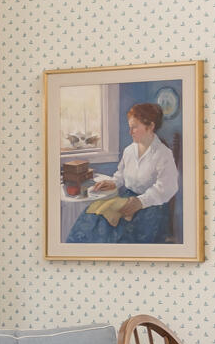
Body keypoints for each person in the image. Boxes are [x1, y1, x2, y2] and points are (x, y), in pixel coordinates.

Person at [68, 101, 180, 245]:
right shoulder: (129, 151)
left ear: (150, 126)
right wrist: (113, 183)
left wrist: (141, 201)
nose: (130, 132)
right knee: (91, 217)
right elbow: (121, 175)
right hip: (126, 199)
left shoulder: (163, 154)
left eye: (135, 127)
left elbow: (167, 187)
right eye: (130, 127)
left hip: (151, 207)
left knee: (111, 230)